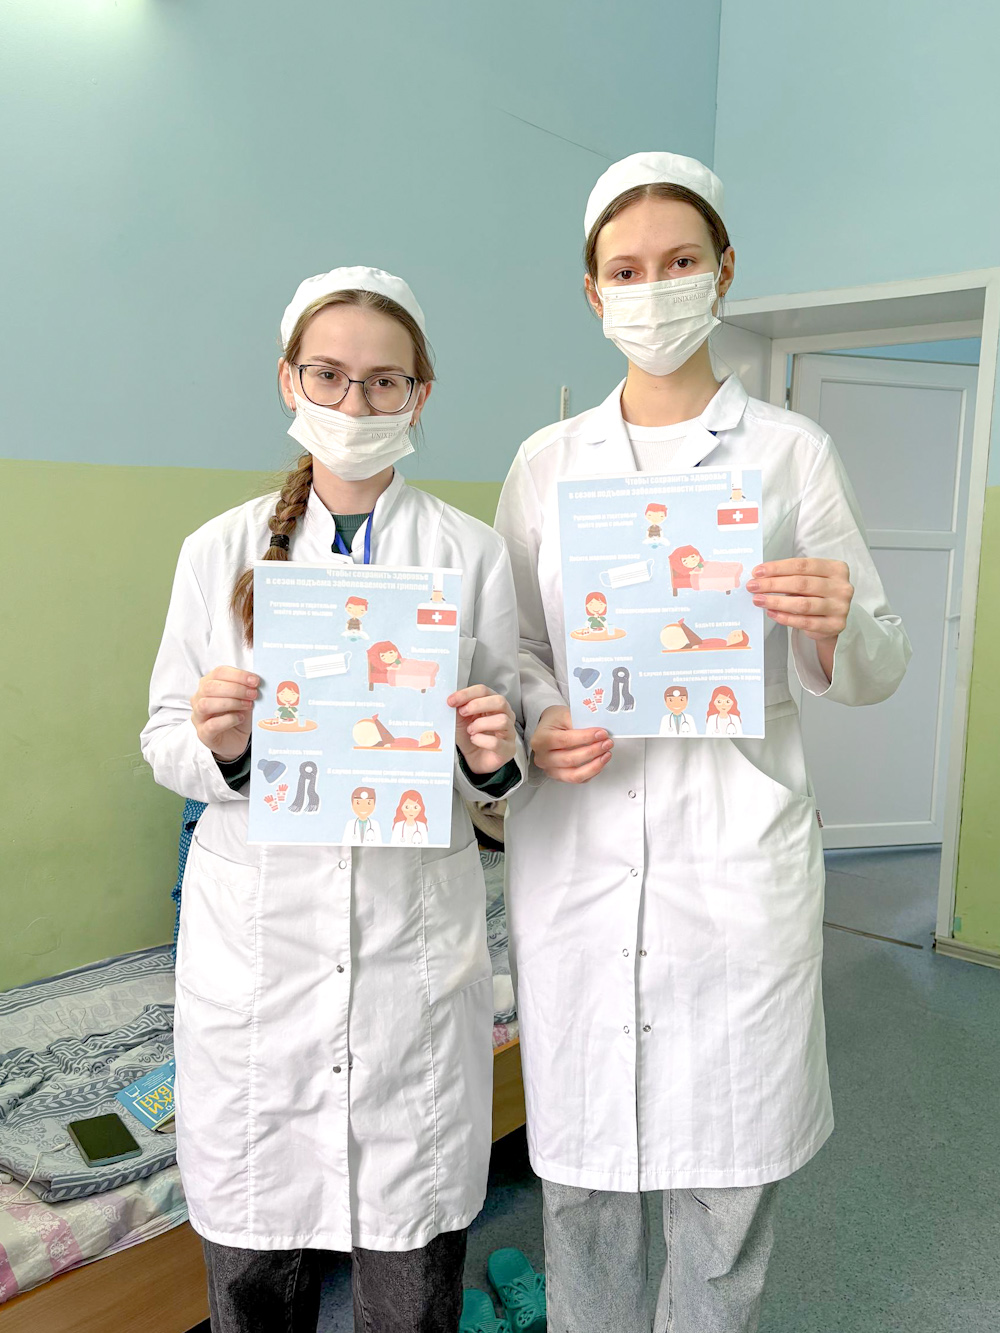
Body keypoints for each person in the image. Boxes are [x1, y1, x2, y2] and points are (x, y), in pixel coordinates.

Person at [495, 152, 911, 1333]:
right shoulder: (545, 463)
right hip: (580, 852)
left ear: (723, 271)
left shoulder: (788, 452)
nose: (654, 288)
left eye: (679, 261)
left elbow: (878, 659)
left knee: (727, 1192)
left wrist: (831, 621)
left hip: (734, 858)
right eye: (626, 270)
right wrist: (540, 715)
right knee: (582, 1191)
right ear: (593, 293)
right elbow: (508, 646)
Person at [141, 266, 524, 1333]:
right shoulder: (217, 551)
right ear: (289, 381)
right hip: (259, 960)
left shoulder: (470, 554)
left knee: (412, 1276)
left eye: (384, 381)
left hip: (409, 955)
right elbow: (163, 737)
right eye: (329, 375)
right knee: (253, 1275)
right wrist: (220, 745)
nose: (355, 403)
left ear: (419, 395)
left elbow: (503, 761)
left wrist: (491, 753)